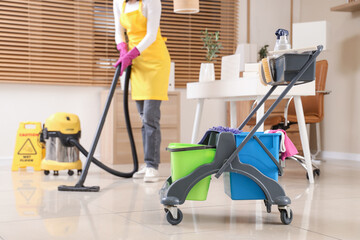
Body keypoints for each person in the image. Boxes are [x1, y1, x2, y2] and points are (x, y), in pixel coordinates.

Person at [113, 0, 171, 182]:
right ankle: (148, 163)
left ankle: (152, 166)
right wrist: (122, 48)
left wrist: (131, 53)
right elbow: (118, 31)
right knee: (142, 117)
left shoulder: (152, 1)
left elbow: (152, 35)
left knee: (150, 118)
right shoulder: (118, 2)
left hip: (155, 61)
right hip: (136, 63)